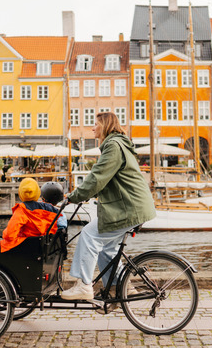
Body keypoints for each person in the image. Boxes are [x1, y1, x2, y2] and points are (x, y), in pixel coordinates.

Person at [60, 112, 156, 301]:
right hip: (132, 206)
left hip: (128, 208)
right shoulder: (118, 144)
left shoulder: (113, 146)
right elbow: (109, 180)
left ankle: (84, 285)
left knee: (88, 235)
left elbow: (97, 177)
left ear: (104, 126)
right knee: (107, 249)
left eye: (95, 124)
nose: (92, 128)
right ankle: (119, 287)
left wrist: (74, 197)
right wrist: (88, 194)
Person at [0, 178, 67, 252]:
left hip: (26, 246)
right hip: (45, 247)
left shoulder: (22, 209)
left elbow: (10, 235)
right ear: (37, 193)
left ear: (20, 193)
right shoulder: (53, 211)